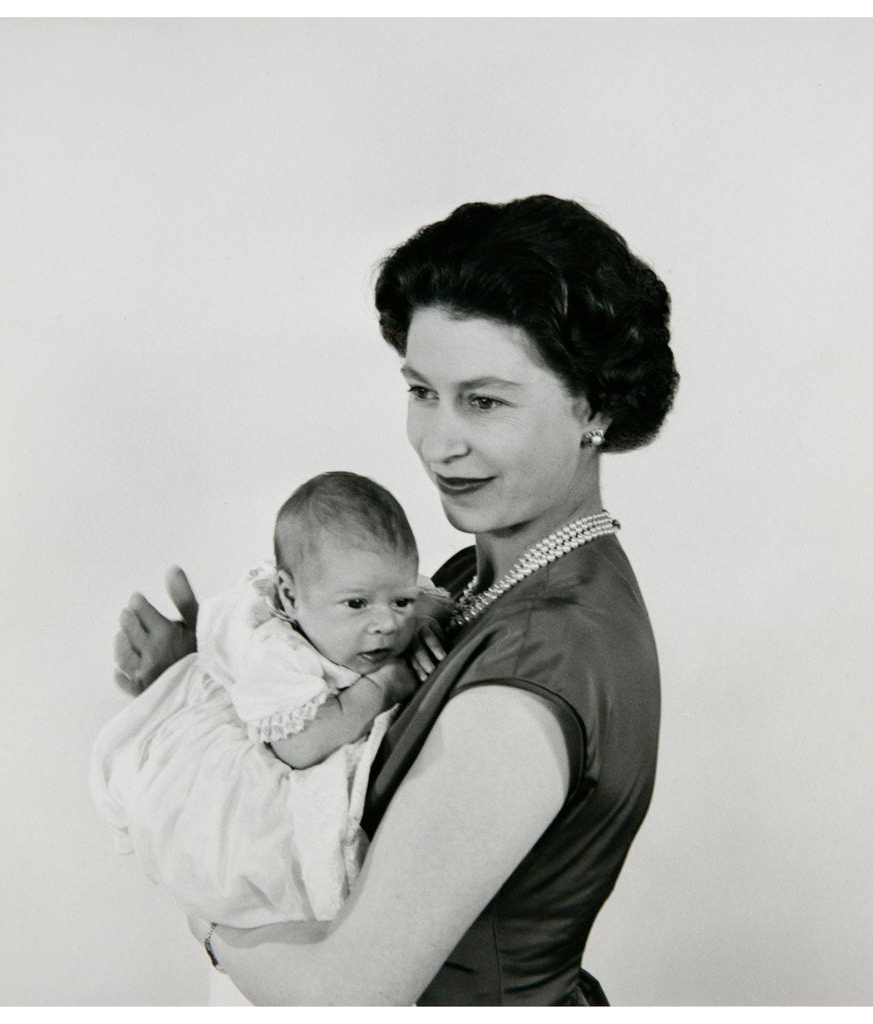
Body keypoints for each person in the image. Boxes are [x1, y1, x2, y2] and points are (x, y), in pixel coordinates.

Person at [113, 195, 678, 1005]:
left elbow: (344, 996)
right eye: (422, 391)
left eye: (484, 400)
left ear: (594, 407)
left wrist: (205, 907)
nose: (438, 443)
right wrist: (205, 686)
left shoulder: (534, 671)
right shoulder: (470, 580)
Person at [94, 471, 449, 928]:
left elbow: (431, 601)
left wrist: (424, 620)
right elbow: (299, 746)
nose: (386, 624)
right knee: (268, 862)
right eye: (357, 605)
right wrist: (383, 685)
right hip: (251, 793)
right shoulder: (276, 653)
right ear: (289, 595)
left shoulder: (364, 599)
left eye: (399, 601)